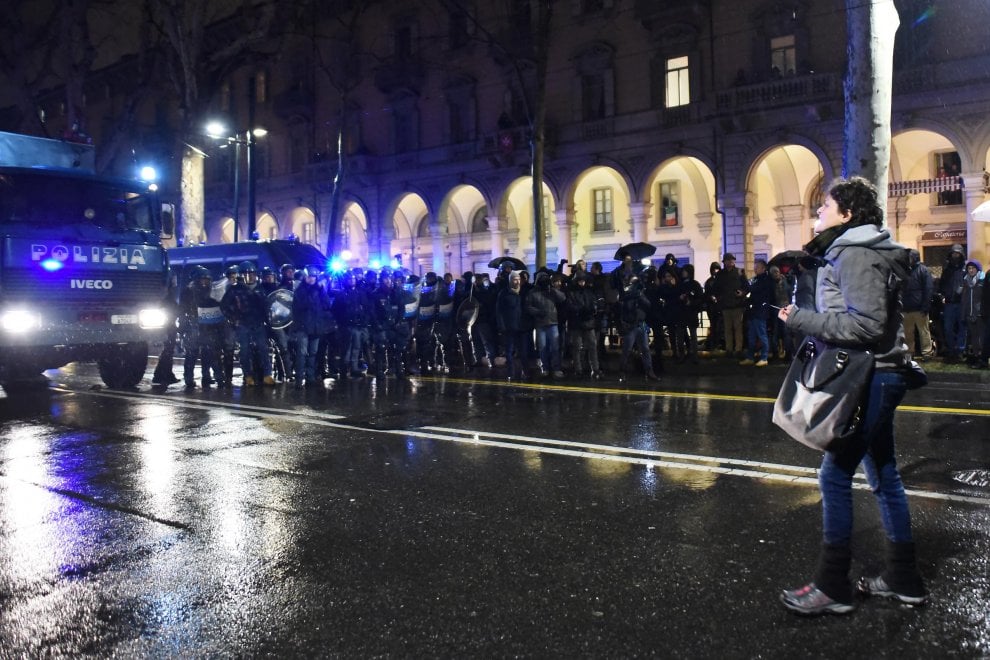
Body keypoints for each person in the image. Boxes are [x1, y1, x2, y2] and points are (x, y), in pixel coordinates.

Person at [777, 176, 927, 616]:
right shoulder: (857, 248)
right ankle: (904, 578)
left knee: (835, 474)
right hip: (879, 372)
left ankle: (832, 586)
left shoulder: (855, 252)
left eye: (826, 206)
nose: (818, 211)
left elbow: (865, 326)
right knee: (884, 472)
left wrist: (802, 320)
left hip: (870, 375)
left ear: (847, 214)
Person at [900, 249, 935, 360]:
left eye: (910, 257)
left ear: (915, 258)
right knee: (907, 333)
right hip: (906, 308)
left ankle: (927, 353)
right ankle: (909, 352)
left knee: (923, 332)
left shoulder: (923, 270)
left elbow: (928, 289)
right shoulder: (905, 271)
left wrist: (925, 306)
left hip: (919, 308)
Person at [712, 253, 748, 357]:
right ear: (724, 262)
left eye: (731, 260)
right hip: (726, 305)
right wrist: (719, 298)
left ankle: (738, 349)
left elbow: (746, 286)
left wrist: (742, 293)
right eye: (728, 260)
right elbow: (715, 288)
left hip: (737, 304)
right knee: (728, 328)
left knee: (737, 328)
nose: (730, 262)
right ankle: (729, 349)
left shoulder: (739, 272)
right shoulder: (720, 274)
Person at [739, 258, 773, 367]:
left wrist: (743, 277)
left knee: (762, 335)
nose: (755, 269)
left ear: (763, 268)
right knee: (751, 335)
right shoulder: (757, 279)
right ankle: (750, 356)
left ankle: (764, 357)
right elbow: (753, 293)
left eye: (757, 267)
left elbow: (753, 289)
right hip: (754, 311)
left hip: (760, 311)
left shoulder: (765, 280)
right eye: (755, 267)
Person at [936, 244, 966, 361]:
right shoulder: (947, 270)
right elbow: (942, 285)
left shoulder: (965, 269)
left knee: (962, 328)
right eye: (954, 253)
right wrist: (942, 296)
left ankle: (959, 350)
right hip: (949, 303)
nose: (955, 256)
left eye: (957, 254)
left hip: (961, 304)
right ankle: (951, 350)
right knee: (948, 328)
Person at [961, 260, 984, 365]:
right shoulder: (965, 281)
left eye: (973, 268)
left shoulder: (983, 281)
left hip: (980, 313)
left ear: (977, 269)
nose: (970, 270)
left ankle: (983, 357)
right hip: (969, 313)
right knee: (974, 337)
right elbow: (964, 299)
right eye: (969, 268)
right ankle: (975, 356)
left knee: (981, 337)